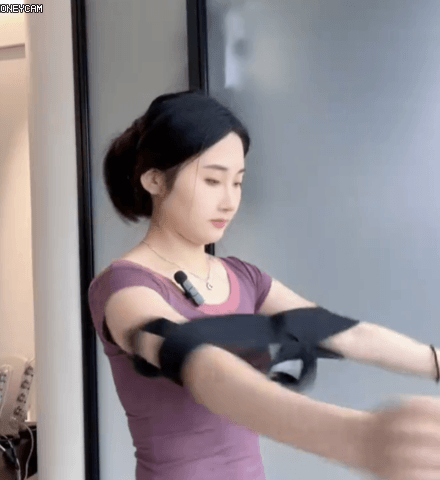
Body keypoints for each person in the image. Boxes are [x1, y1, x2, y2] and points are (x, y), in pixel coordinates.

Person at [87, 90, 440, 480]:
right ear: (155, 180)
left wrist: (436, 362)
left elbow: (346, 335)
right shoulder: (123, 286)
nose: (229, 201)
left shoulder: (244, 278)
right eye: (212, 180)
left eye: (237, 182)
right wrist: (355, 438)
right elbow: (200, 365)